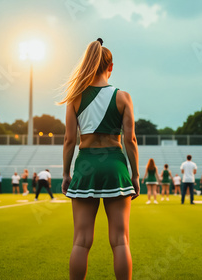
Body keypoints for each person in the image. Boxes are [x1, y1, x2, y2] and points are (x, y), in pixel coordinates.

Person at [60, 38, 139, 280]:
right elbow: (131, 140)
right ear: (110, 66)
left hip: (86, 166)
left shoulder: (75, 98)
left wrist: (66, 174)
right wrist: (135, 175)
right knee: (120, 241)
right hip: (115, 166)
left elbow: (69, 141)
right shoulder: (123, 97)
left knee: (81, 241)